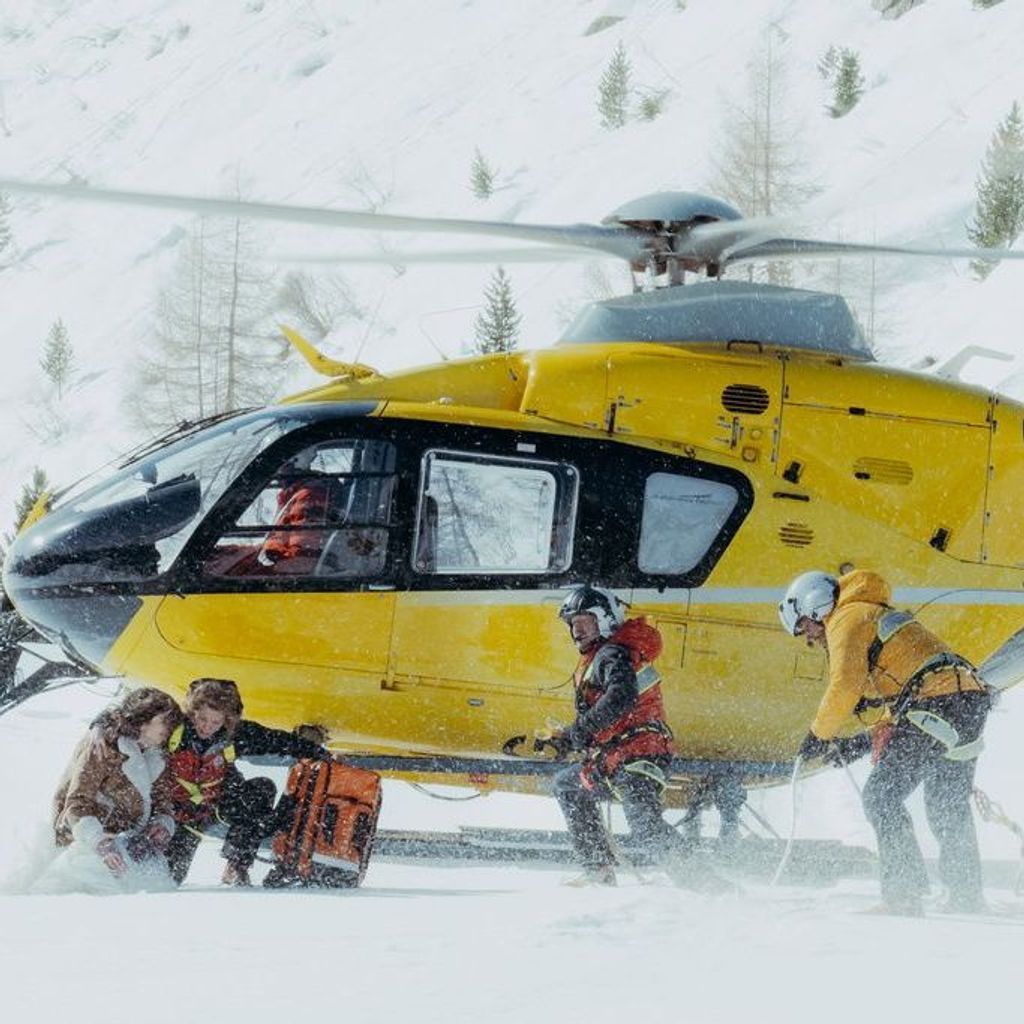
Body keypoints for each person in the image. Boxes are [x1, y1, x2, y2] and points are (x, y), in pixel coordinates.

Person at [779, 568, 991, 915]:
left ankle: (903, 894)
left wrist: (818, 735)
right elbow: (905, 698)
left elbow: (845, 686)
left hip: (936, 703)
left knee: (881, 797)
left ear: (815, 607)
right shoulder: (873, 614)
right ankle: (966, 894)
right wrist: (858, 744)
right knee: (946, 803)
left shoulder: (846, 617)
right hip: (967, 702)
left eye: (804, 626)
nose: (808, 638)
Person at [547, 585, 712, 888]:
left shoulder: (612, 653)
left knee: (646, 829)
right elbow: (612, 710)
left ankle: (706, 884)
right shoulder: (610, 654)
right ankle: (597, 869)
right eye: (572, 625)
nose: (575, 631)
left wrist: (578, 731)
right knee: (566, 785)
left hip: (637, 758)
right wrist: (571, 737)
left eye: (583, 622)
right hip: (617, 759)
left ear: (605, 619)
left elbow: (621, 697)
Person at [163, 677, 331, 886]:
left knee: (262, 788)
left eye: (216, 722)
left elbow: (276, 740)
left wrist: (319, 753)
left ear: (227, 720)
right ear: (192, 712)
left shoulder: (235, 734)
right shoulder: (171, 731)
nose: (207, 727)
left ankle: (237, 865)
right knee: (168, 879)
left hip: (218, 806)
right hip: (176, 814)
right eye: (202, 719)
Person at [36, 687, 183, 894]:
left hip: (128, 843)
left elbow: (162, 800)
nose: (170, 728)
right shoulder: (103, 745)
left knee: (154, 890)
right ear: (144, 719)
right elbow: (77, 802)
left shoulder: (157, 754)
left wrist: (161, 824)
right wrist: (99, 842)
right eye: (165, 720)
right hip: (85, 841)